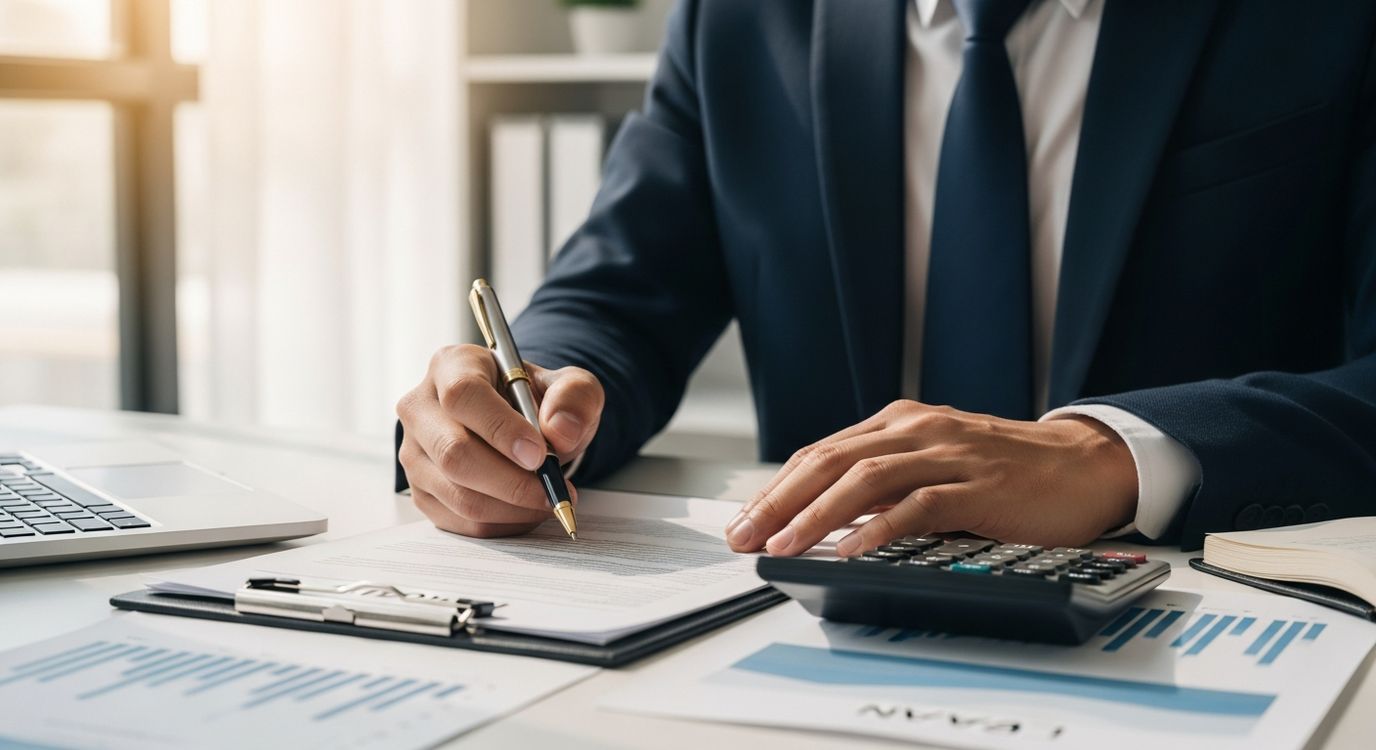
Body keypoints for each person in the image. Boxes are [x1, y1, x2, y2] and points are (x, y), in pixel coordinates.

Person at [396, 0, 1376, 556]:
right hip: (813, 618)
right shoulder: (736, 21)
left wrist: (1107, 459)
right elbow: (613, 294)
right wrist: (523, 398)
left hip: (1196, 622)